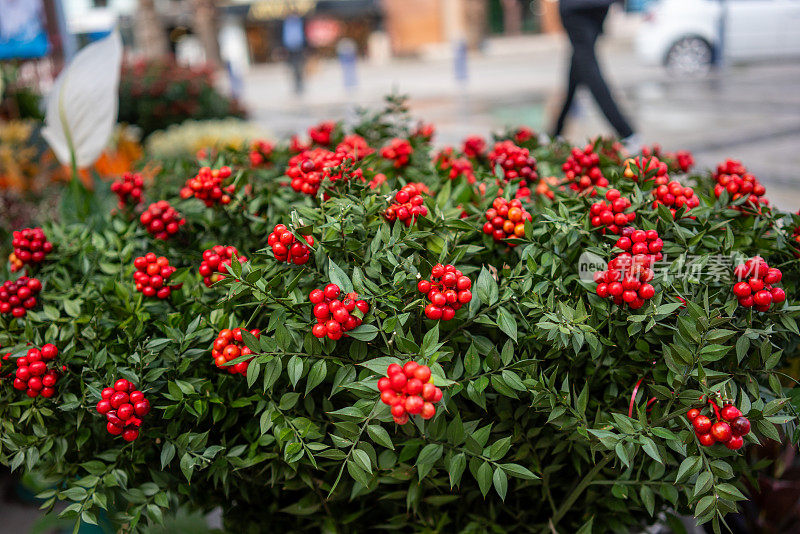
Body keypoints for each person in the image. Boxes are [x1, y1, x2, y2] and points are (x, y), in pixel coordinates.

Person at [551, 0, 636, 143]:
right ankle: (555, 133)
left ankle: (627, 134)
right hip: (598, 7)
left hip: (576, 8)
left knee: (588, 67)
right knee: (580, 63)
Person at [282, 13, 305, 95]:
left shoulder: (301, 21)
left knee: (300, 67)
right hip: (289, 50)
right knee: (292, 68)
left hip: (299, 48)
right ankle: (296, 86)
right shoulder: (283, 23)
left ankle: (300, 85)